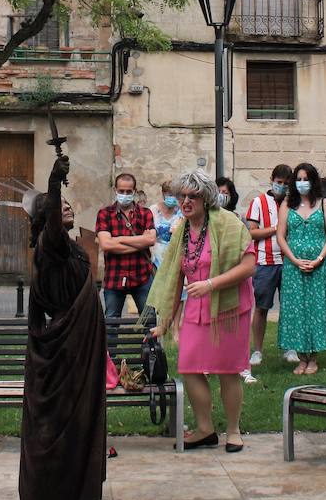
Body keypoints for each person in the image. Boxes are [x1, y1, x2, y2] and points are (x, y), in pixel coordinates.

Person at [19, 155, 107, 500]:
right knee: (64, 417)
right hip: (66, 347)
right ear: (46, 218)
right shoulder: (49, 246)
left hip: (79, 344)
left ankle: (73, 487)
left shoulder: (67, 246)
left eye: (68, 204)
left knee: (78, 417)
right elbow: (53, 219)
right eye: (57, 207)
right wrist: (54, 183)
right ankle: (56, 493)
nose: (65, 208)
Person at [145, 168, 255, 452]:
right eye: (182, 195)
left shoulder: (228, 224)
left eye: (193, 196)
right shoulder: (180, 230)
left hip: (230, 308)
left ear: (206, 198)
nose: (185, 201)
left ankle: (233, 430)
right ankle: (205, 429)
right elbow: (173, 279)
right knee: (190, 367)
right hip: (197, 308)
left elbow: (249, 266)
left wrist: (211, 284)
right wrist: (165, 323)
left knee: (229, 370)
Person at [276, 163, 326, 375]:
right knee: (296, 309)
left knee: (316, 308)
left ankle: (314, 358)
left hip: (319, 267)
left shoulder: (324, 204)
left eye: (306, 179)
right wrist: (294, 259)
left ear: (313, 180)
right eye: (298, 179)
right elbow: (281, 236)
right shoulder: (287, 204)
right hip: (294, 267)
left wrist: (319, 259)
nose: (302, 183)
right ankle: (301, 358)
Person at [246, 164, 292, 368]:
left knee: (290, 307)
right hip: (265, 261)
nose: (281, 186)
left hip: (290, 261)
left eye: (285, 184)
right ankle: (257, 350)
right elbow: (252, 232)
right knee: (262, 307)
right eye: (278, 182)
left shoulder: (294, 203)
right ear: (271, 180)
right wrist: (276, 229)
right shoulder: (258, 202)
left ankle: (291, 348)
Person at [96, 173, 156, 328]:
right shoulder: (104, 213)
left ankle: (150, 352)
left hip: (142, 275)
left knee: (149, 321)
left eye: (129, 191)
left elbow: (150, 240)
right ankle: (110, 353)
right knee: (110, 323)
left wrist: (119, 239)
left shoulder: (145, 213)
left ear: (134, 191)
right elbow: (106, 245)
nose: (125, 195)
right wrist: (139, 243)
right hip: (114, 277)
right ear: (115, 190)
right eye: (121, 191)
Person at [149, 181, 182, 269]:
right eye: (170, 194)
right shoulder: (153, 211)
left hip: (173, 261)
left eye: (176, 195)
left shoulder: (181, 214)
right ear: (163, 193)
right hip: (153, 260)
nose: (173, 198)